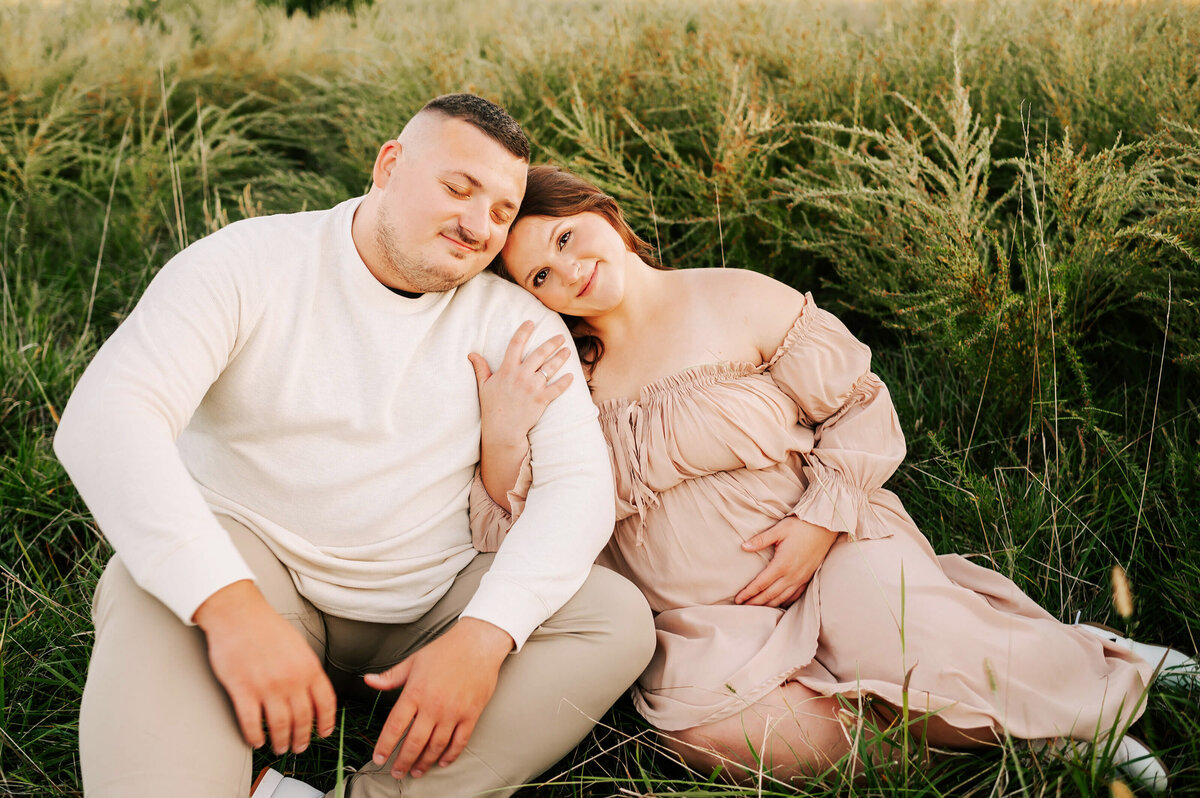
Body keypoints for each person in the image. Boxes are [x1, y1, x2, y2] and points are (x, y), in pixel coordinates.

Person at [470, 165, 1199, 792]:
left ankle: (1086, 684)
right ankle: (1000, 733)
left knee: (902, 642)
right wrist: (502, 432)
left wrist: (821, 523)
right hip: (707, 622)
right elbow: (532, 528)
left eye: (565, 238)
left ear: (603, 214)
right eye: (539, 276)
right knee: (714, 731)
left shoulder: (733, 296)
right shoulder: (564, 381)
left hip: (829, 543)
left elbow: (858, 403)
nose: (567, 271)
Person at [54, 97, 656, 798]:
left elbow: (577, 491)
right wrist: (231, 609)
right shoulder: (250, 261)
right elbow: (107, 417)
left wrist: (485, 636)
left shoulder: (517, 321)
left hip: (434, 602)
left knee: (612, 619)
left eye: (499, 212)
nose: (475, 225)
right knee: (144, 583)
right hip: (255, 571)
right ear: (390, 165)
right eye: (458, 189)